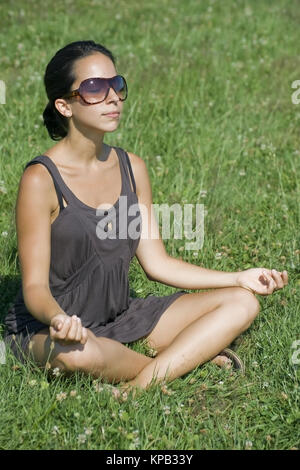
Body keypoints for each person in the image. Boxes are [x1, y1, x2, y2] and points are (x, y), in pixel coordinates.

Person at [4, 40, 288, 392]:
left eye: (116, 85)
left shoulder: (132, 168)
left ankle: (136, 386)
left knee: (243, 302)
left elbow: (158, 264)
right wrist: (58, 319)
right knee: (78, 355)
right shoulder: (41, 179)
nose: (112, 98)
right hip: (48, 329)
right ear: (64, 105)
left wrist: (237, 276)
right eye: (94, 88)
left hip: (120, 316)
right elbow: (33, 288)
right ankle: (179, 363)